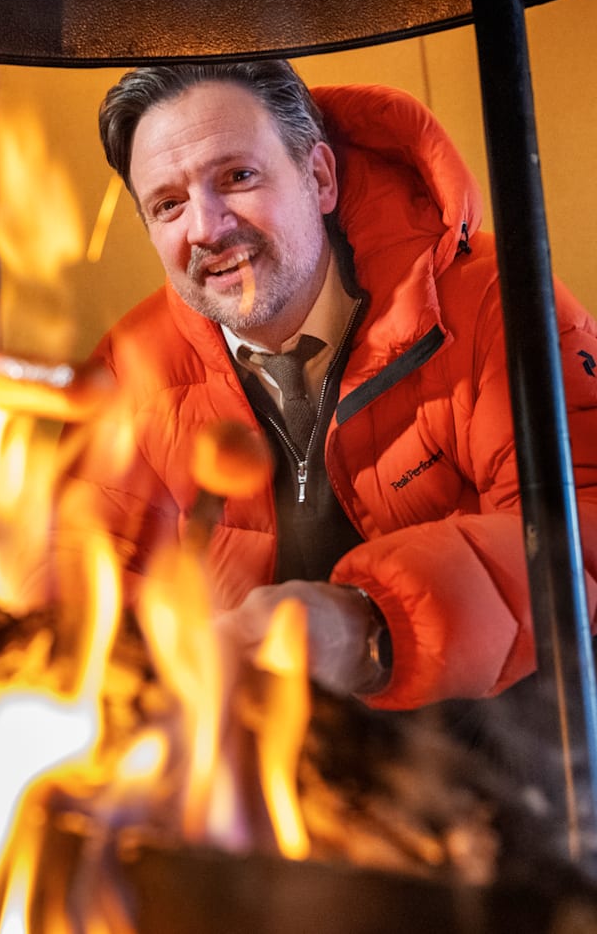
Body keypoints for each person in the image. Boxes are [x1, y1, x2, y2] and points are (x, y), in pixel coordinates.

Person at [63, 61, 597, 711]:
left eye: (237, 176)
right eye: (168, 205)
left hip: (500, 747)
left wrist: (368, 624)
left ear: (319, 177)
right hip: (257, 770)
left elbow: (583, 530)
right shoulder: (127, 373)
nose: (205, 227)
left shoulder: (491, 301)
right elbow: (78, 593)